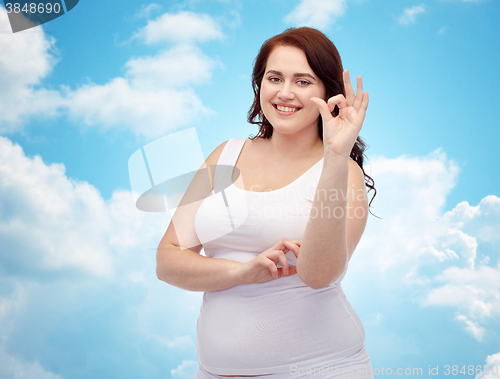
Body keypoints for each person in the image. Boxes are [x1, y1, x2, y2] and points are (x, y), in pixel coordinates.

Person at [156, 27, 377, 378]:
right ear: (260, 84)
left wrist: (335, 156)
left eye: (303, 82)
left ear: (328, 93)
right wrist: (241, 272)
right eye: (275, 78)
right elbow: (167, 259)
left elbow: (320, 276)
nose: (285, 93)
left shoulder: (342, 173)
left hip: (321, 369)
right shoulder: (223, 155)